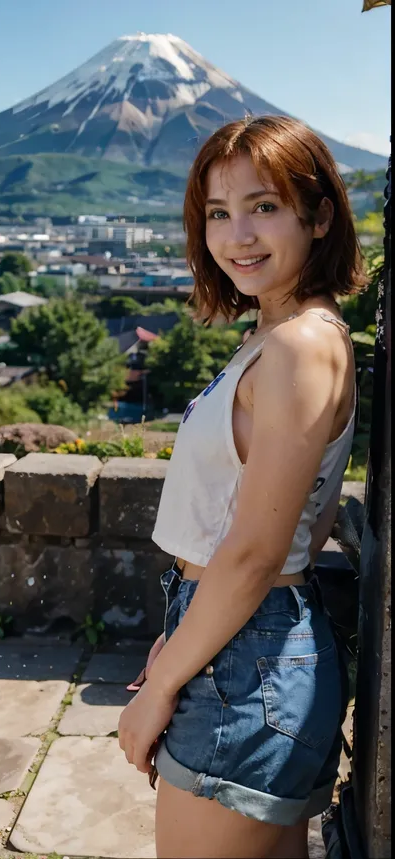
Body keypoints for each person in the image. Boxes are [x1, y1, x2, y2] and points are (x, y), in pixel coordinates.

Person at [118, 114, 367, 859]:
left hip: (249, 660)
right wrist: (183, 632)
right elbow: (300, 523)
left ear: (319, 215)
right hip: (248, 642)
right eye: (218, 213)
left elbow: (260, 550)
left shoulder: (297, 346)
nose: (238, 236)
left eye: (264, 206)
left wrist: (160, 689)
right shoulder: (287, 334)